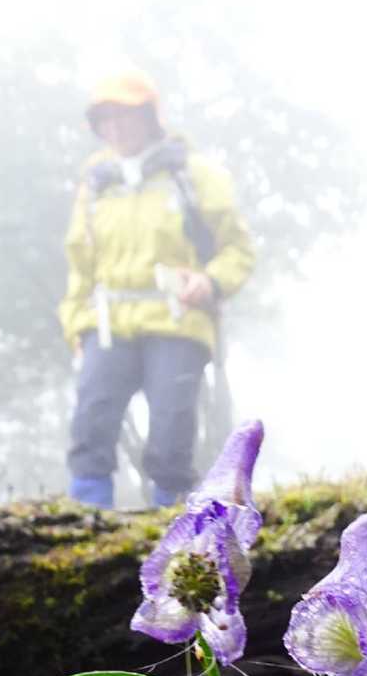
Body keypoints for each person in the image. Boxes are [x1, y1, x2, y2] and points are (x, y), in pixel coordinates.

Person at [58, 69, 255, 509]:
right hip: (106, 322)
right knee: (91, 424)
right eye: (105, 119)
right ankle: (86, 516)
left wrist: (211, 281)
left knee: (171, 432)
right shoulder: (96, 182)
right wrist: (75, 324)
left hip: (178, 318)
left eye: (124, 115)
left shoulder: (194, 175)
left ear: (150, 117)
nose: (115, 127)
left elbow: (237, 249)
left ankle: (174, 520)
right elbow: (80, 261)